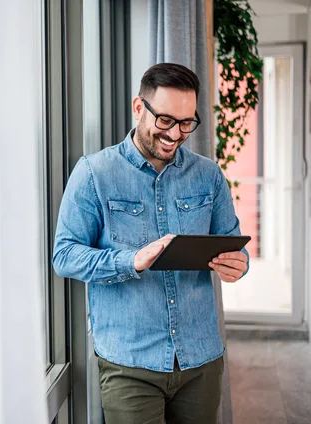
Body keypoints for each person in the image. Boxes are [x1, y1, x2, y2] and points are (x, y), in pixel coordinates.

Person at [52, 63, 249, 424]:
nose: (176, 134)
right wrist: (130, 261)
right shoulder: (95, 173)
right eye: (166, 120)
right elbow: (64, 255)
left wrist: (239, 264)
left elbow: (235, 245)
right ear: (138, 107)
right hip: (130, 366)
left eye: (187, 122)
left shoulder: (208, 175)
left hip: (200, 359)